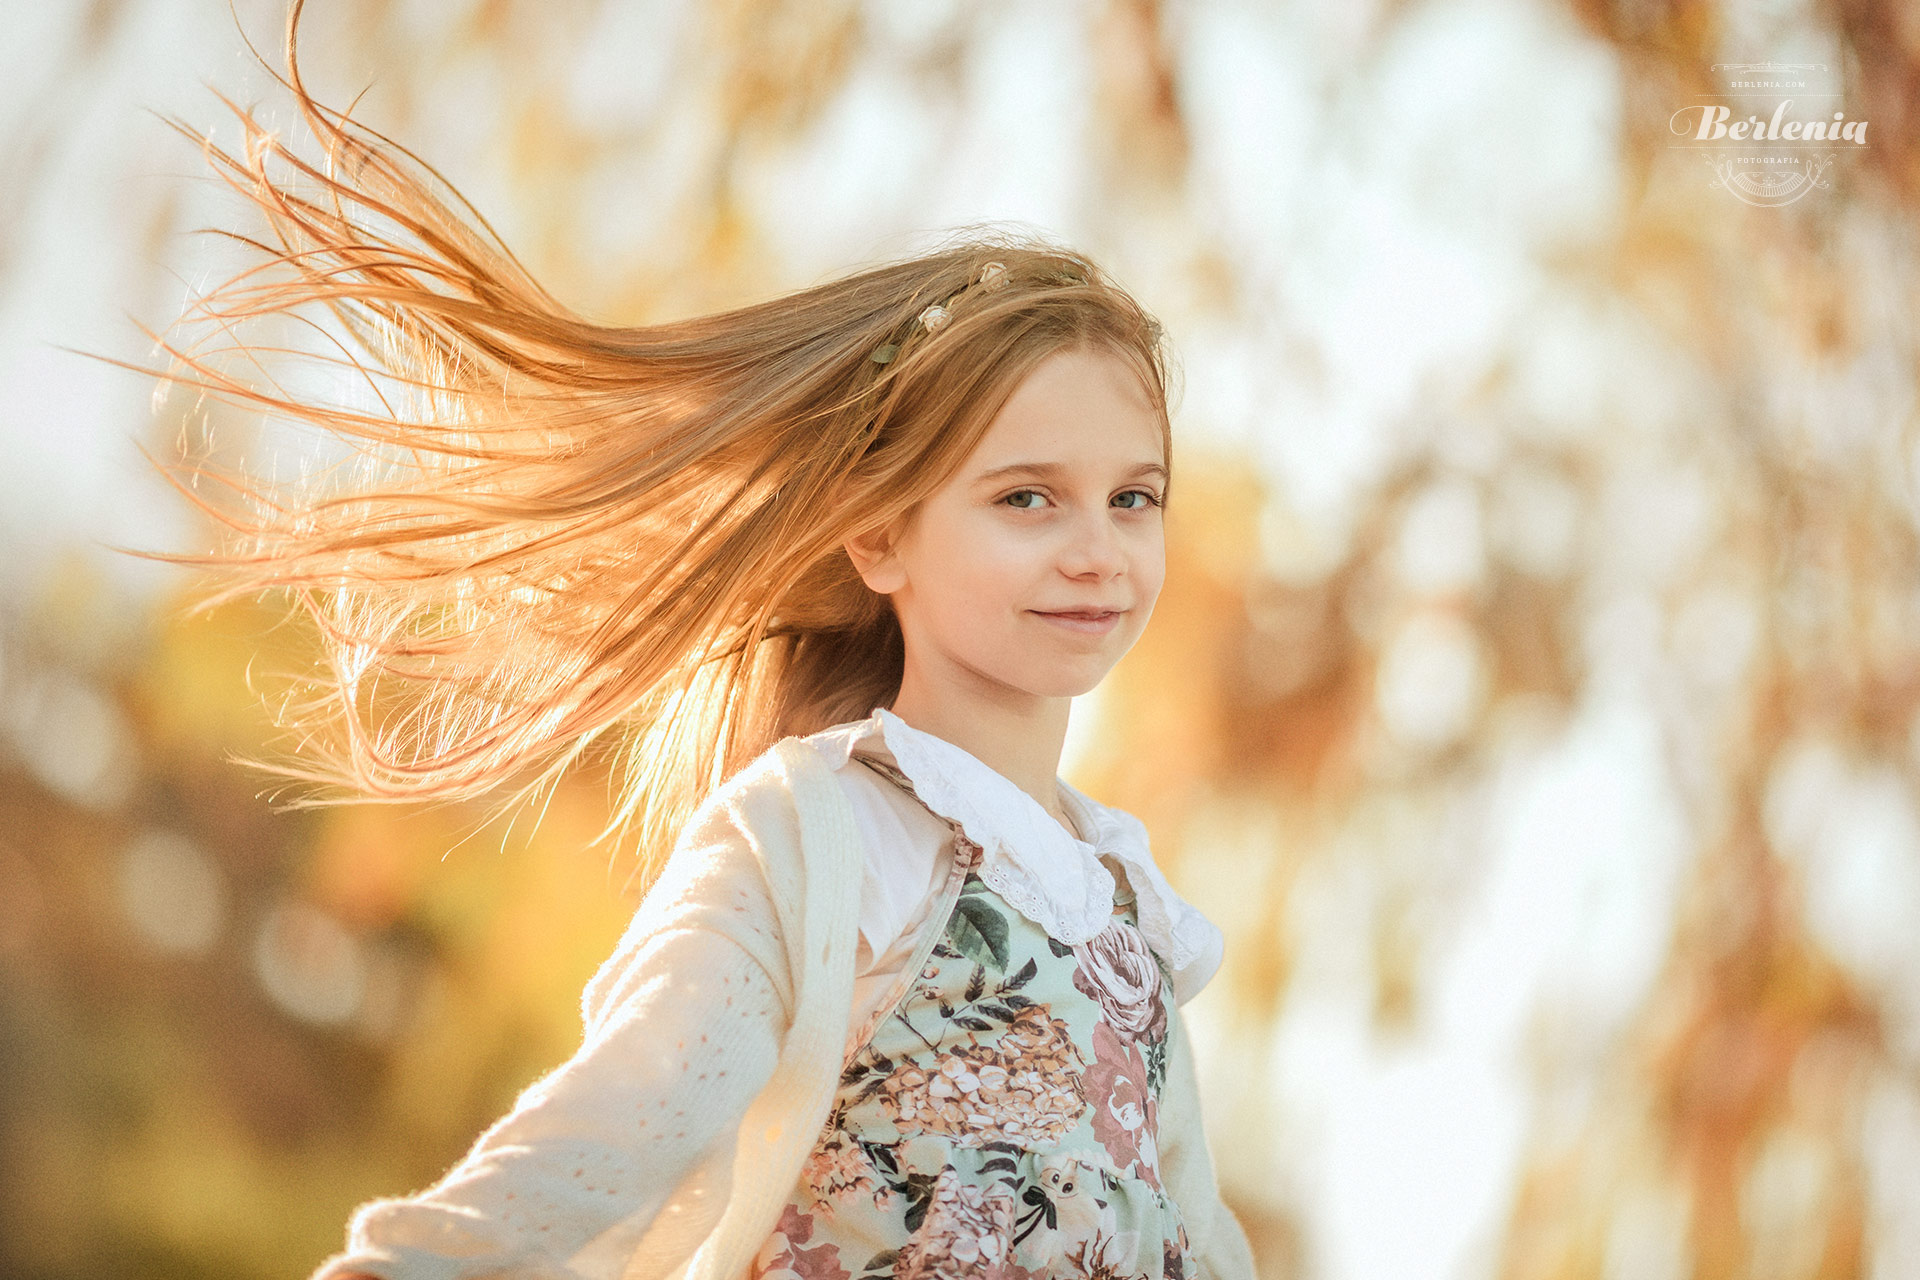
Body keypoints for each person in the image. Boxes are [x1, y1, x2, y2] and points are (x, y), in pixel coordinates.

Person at [129, 4, 1256, 1276]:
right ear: (880, 538)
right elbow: (605, 1137)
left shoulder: (1131, 908)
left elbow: (1194, 1235)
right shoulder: (821, 839)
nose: (1096, 547)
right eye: (1025, 497)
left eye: (1135, 497)